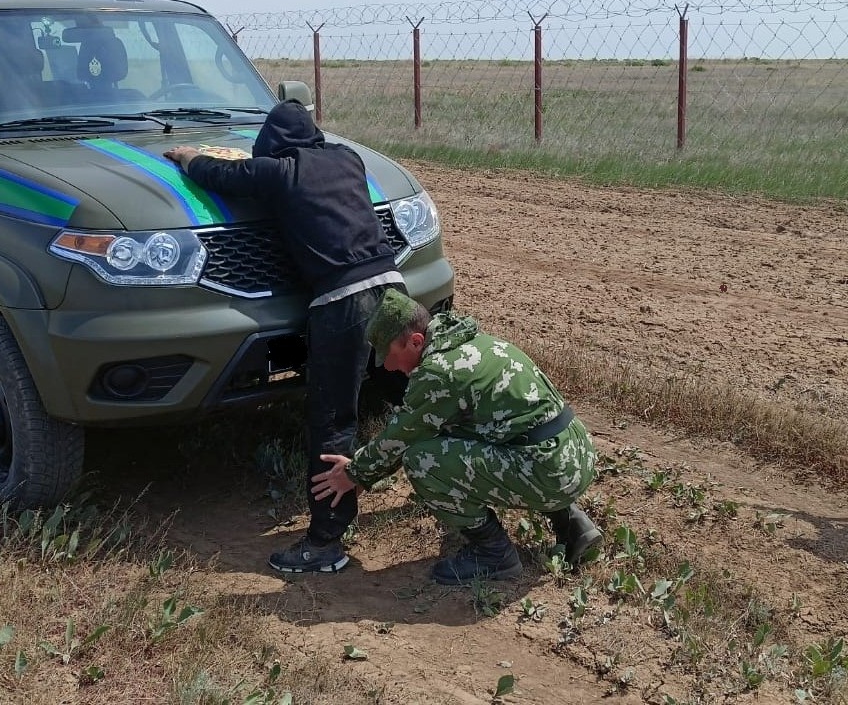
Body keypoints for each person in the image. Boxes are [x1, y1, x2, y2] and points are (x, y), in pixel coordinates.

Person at [165, 101, 404, 572]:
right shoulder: (347, 158)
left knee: (334, 420)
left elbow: (221, 176)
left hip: (343, 302)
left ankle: (324, 544)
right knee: (422, 393)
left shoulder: (279, 173)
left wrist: (187, 155)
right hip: (393, 287)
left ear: (271, 145)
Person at [310, 288, 602, 585]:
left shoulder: (440, 371)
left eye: (391, 355)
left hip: (551, 472)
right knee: (460, 429)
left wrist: (355, 472)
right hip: (576, 452)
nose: (388, 367)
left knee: (422, 460)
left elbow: (402, 435)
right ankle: (570, 521)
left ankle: (493, 552)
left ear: (416, 341)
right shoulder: (471, 342)